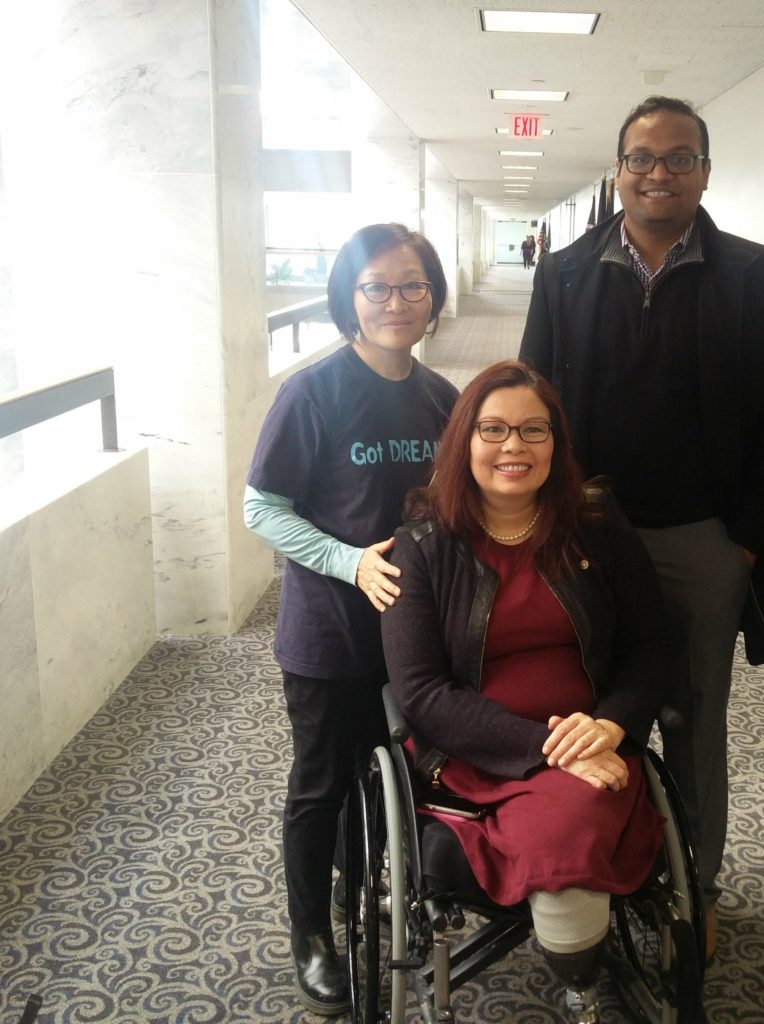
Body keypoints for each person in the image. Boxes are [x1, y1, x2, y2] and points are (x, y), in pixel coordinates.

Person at [519, 94, 764, 950]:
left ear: (705, 172)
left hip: (701, 540)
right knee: (584, 709)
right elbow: (533, 400)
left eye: (679, 158)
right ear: (618, 172)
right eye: (642, 158)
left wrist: (744, 539)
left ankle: (697, 884)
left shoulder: (757, 273)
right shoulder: (566, 272)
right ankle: (594, 873)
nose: (659, 172)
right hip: (583, 538)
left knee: (690, 715)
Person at [380, 360, 670, 1023]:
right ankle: (580, 971)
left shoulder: (595, 523)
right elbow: (421, 692)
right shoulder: (421, 546)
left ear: (556, 443)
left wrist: (615, 725)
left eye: (533, 430)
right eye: (494, 429)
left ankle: (577, 960)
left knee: (576, 804)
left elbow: (652, 646)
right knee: (569, 812)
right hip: (477, 749)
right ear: (464, 442)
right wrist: (550, 748)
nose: (514, 446)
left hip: (593, 738)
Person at [243, 223, 458, 1014]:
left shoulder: (442, 399)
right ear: (349, 298)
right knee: (322, 782)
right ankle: (312, 936)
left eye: (412, 285)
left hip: (413, 634)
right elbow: (261, 507)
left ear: (433, 297)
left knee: (398, 771)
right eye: (376, 287)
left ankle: (367, 881)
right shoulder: (312, 391)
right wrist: (349, 560)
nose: (395, 302)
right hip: (328, 632)